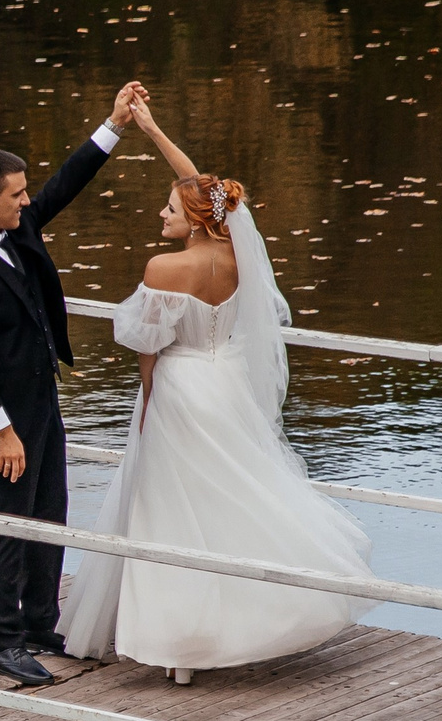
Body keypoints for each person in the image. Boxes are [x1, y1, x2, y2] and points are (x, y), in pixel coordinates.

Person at [59, 93, 375, 678]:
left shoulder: (164, 268)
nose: (161, 216)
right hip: (225, 383)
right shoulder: (239, 257)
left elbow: (148, 349)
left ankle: (179, 645)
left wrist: (149, 399)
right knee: (230, 498)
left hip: (179, 388)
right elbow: (200, 189)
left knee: (171, 510)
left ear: (196, 218)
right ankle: (244, 618)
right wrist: (151, 130)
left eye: (168, 211)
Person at [0, 82, 148, 690]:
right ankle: (2, 644)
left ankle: (37, 622)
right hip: (4, 414)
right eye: (16, 195)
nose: (28, 201)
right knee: (8, 522)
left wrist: (113, 127)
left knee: (49, 511)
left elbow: (61, 187)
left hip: (41, 399)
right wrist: (2, 430)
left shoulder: (16, 227)